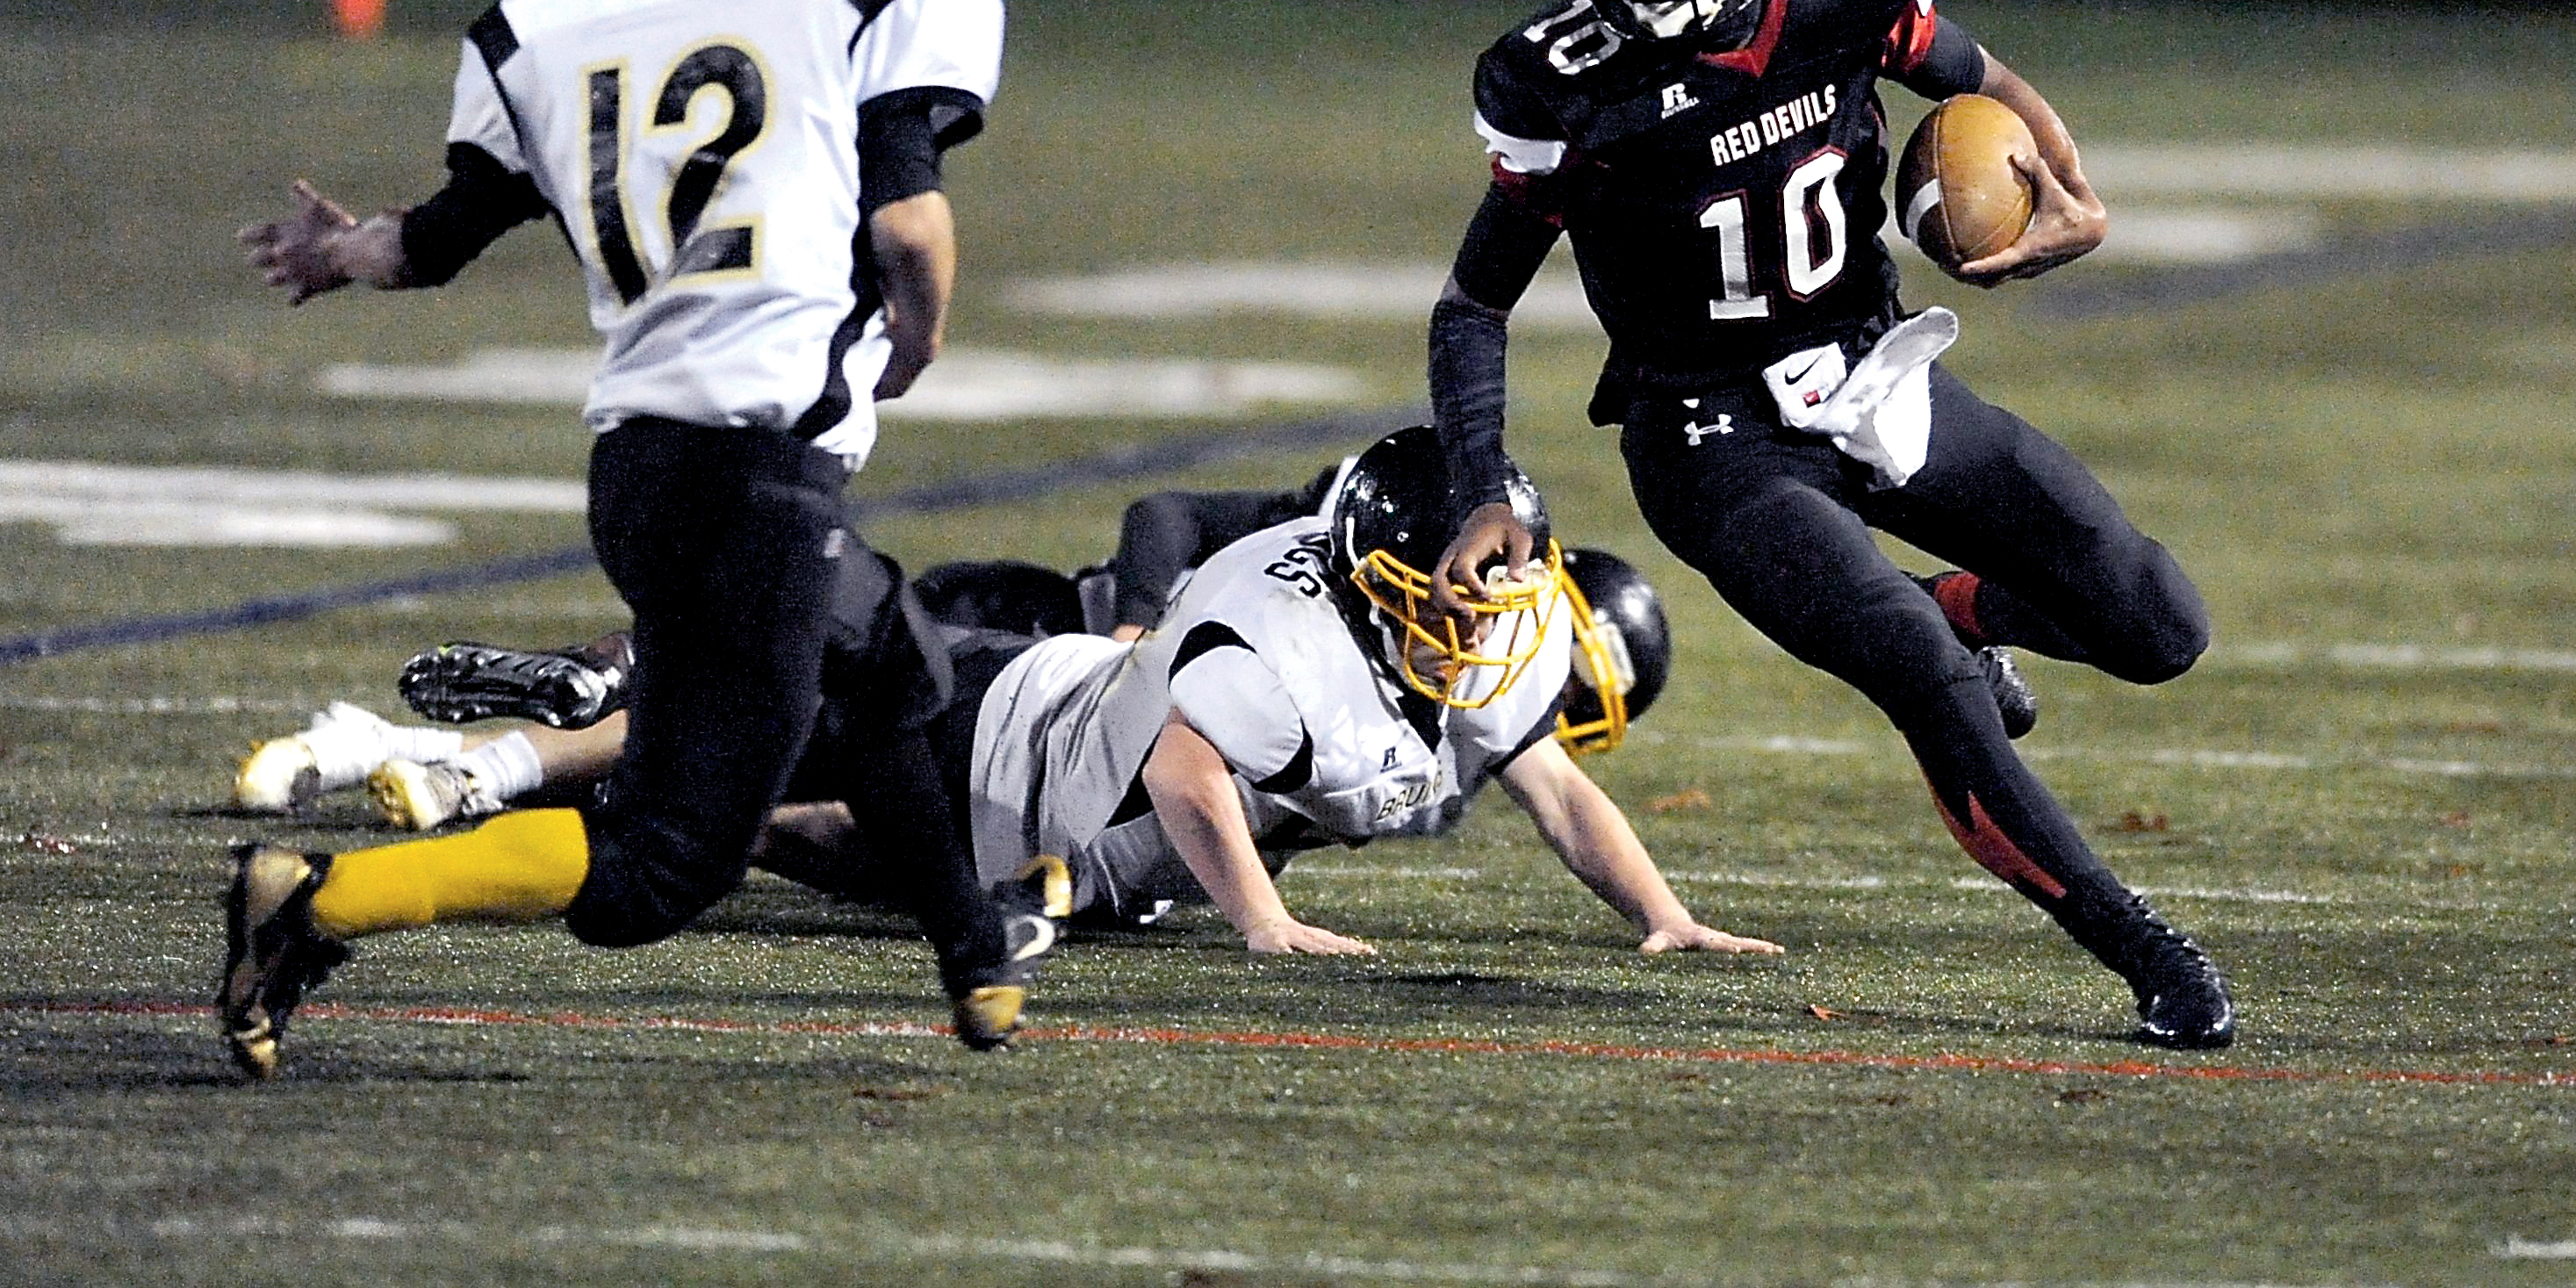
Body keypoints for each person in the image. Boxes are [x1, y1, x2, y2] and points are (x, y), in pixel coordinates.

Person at [222, 0, 1054, 1077]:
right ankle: (318, 901)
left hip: (645, 470)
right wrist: (919, 334)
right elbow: (907, 218)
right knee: (661, 869)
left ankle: (973, 949)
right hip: (757, 477)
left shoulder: (553, 22)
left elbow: (434, 240)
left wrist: (337, 252)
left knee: (890, 666)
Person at [1423, 0, 2232, 1047]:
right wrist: (1485, 487)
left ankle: (1958, 606)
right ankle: (2144, 951)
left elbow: (1978, 78)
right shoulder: (1566, 82)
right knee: (1923, 678)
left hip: (1874, 372)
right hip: (1712, 440)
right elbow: (1473, 304)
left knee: (2156, 621)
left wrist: (2066, 191)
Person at [228, 432, 1774, 958]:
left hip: (1072, 841)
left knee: (746, 829)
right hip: (1015, 725)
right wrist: (1263, 920)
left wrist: (1663, 913)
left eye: (1491, 590)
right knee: (747, 769)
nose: (1472, 622)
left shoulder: (1486, 636)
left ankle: (551, 763)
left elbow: (1556, 784)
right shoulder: (1278, 621)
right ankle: (513, 748)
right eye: (1442, 591)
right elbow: (1186, 771)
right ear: (1367, 569)